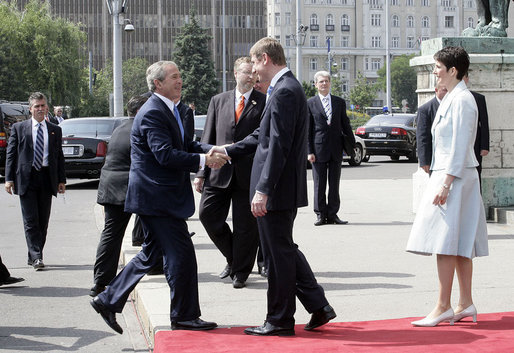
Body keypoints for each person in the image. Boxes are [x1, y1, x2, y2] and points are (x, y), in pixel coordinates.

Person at [90, 61, 229, 335]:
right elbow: (164, 154)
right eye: (174, 77)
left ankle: (108, 300)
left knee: (150, 254)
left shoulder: (170, 109)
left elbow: (184, 145)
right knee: (182, 256)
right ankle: (184, 316)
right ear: (158, 84)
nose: (180, 80)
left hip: (160, 197)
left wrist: (214, 150)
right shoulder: (153, 112)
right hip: (156, 198)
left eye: (180, 75)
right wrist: (204, 160)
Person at [215, 37, 336, 336]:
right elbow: (262, 136)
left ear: (266, 59)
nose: (254, 69)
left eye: (255, 62)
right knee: (283, 250)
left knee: (277, 254)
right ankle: (319, 306)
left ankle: (280, 319)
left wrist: (262, 190)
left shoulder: (284, 91)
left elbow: (277, 146)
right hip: (280, 188)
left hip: (276, 190)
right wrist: (229, 150)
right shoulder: (284, 89)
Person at [406, 46, 488, 327]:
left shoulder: (462, 100)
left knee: (446, 243)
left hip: (453, 178)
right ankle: (464, 303)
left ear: (453, 71)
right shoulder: (455, 97)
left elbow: (460, 145)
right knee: (460, 244)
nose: (434, 72)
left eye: (437, 67)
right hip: (455, 176)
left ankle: (443, 306)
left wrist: (446, 183)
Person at [194, 57, 265, 289]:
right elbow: (208, 138)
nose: (251, 77)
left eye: (253, 73)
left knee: (246, 226)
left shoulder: (263, 102)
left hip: (248, 172)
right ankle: (234, 258)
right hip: (218, 171)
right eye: (246, 72)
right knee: (208, 215)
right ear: (235, 74)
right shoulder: (218, 100)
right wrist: (201, 173)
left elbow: (260, 138)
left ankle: (241, 272)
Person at [90, 95, 149, 298]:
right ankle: (157, 264)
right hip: (128, 188)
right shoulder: (140, 129)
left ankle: (101, 281)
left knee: (111, 235)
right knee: (159, 231)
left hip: (111, 187)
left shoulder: (120, 127)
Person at [5, 92, 66, 270]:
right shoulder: (19, 128)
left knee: (43, 221)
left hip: (47, 178)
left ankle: (33, 254)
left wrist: (61, 180)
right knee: (30, 220)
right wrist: (9, 179)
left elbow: (58, 156)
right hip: (26, 178)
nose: (40, 109)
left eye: (43, 105)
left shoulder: (55, 129)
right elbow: (11, 155)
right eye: (36, 106)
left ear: (47, 107)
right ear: (30, 109)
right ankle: (37, 256)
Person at [307, 71, 355, 226]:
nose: (324, 84)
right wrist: (309, 151)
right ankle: (320, 215)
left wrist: (351, 146)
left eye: (327, 81)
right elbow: (307, 129)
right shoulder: (310, 103)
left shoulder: (339, 102)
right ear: (316, 84)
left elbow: (345, 124)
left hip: (336, 149)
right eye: (321, 81)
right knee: (319, 184)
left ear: (330, 83)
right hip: (318, 149)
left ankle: (333, 214)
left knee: (334, 184)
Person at [463, 73, 490, 183]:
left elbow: (484, 123)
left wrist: (485, 146)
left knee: (476, 174)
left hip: (475, 144)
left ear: (467, 79)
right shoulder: (448, 97)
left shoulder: (478, 98)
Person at [416, 84, 448, 173]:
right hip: (435, 158)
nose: (447, 93)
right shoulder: (425, 110)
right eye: (444, 90)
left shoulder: (454, 106)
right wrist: (424, 161)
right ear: (436, 90)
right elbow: (422, 136)